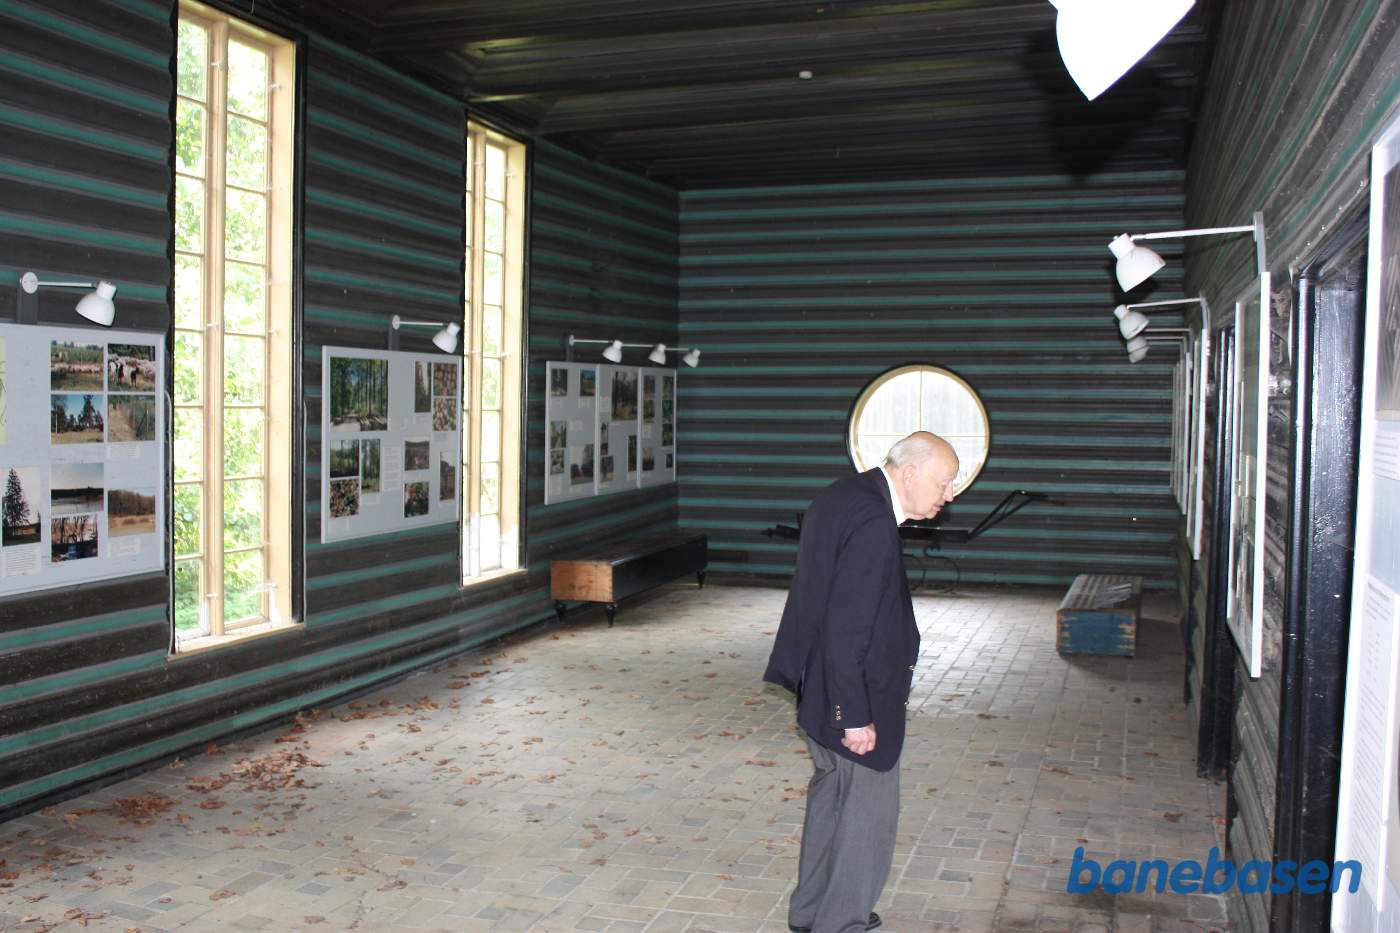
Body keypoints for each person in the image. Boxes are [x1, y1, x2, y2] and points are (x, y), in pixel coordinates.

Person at [764, 431, 959, 933]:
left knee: (831, 803)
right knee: (866, 819)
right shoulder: (874, 522)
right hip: (851, 697)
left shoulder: (843, 494)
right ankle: (843, 922)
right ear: (910, 473)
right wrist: (853, 716)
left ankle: (811, 912)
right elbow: (848, 629)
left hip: (819, 687)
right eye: (944, 482)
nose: (949, 495)